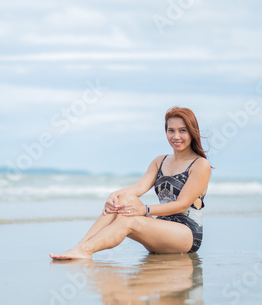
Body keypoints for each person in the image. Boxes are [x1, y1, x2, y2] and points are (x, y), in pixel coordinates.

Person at [50, 106, 211, 260]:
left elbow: (182, 205)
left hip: (186, 235)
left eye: (182, 130)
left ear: (192, 132)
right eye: (171, 130)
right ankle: (81, 245)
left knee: (130, 219)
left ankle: (86, 250)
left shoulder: (200, 165)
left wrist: (145, 210)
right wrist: (114, 195)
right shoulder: (160, 161)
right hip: (159, 230)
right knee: (123, 200)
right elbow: (139, 187)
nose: (176, 136)